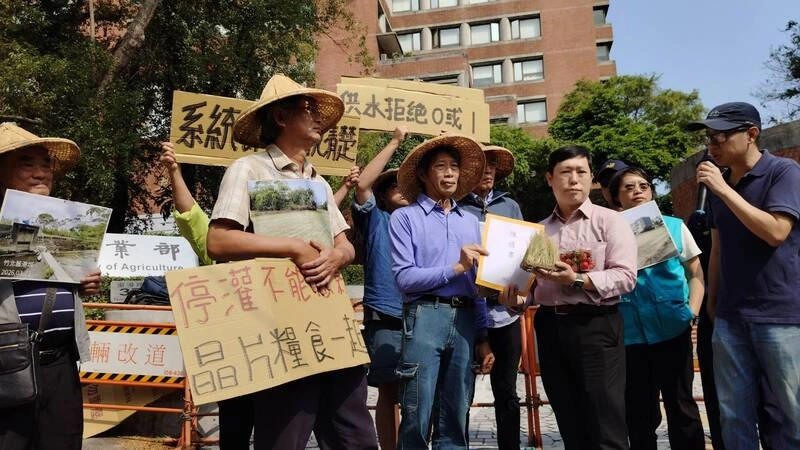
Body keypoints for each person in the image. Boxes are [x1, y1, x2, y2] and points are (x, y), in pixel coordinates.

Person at [205, 74, 377, 450]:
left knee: (356, 434)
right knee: (285, 435)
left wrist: (338, 255)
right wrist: (293, 247)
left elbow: (346, 246)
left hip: (330, 323)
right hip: (278, 329)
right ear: (281, 117)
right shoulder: (248, 169)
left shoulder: (319, 182)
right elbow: (217, 240)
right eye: (307, 108)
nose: (318, 117)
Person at [501, 145, 637, 450]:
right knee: (569, 421)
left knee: (606, 424)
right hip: (550, 328)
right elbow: (529, 290)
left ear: (591, 179)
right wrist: (514, 301)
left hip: (597, 327)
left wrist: (576, 279)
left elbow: (627, 277)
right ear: (550, 179)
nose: (574, 179)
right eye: (565, 172)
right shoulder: (537, 231)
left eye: (581, 172)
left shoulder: (611, 221)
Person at [690, 102, 800, 448]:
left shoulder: (783, 172)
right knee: (733, 415)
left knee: (793, 413)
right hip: (730, 317)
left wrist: (724, 191)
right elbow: (718, 248)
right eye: (709, 137)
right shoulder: (718, 186)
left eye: (720, 136)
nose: (712, 145)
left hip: (781, 316)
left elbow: (776, 231)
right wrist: (713, 303)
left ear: (751, 134)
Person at [389, 134, 495, 449]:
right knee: (416, 410)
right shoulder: (404, 218)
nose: (449, 173)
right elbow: (405, 278)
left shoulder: (472, 222)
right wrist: (456, 267)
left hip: (465, 320)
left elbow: (477, 284)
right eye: (440, 166)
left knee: (456, 410)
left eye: (454, 167)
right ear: (424, 174)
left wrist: (482, 335)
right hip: (423, 316)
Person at [0, 122, 101, 450]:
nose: (40, 172)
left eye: (46, 164)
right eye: (26, 163)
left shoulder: (64, 223)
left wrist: (82, 284)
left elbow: (53, 279)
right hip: (6, 363)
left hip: (60, 363)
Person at [608, 166, 705, 450]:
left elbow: (696, 274)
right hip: (630, 336)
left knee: (682, 405)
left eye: (643, 186)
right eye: (628, 187)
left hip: (672, 328)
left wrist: (691, 312)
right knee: (638, 412)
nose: (637, 191)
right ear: (616, 197)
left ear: (652, 191)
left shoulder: (675, 226)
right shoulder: (607, 233)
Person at [458, 145, 525, 450]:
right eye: (481, 164)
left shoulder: (510, 206)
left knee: (507, 390)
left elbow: (524, 252)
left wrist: (520, 292)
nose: (487, 170)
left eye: (492, 165)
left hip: (506, 313)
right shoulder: (457, 206)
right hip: (467, 312)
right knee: (461, 390)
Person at [350, 126, 408, 450]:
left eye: (406, 185)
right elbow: (362, 185)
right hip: (385, 313)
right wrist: (395, 141)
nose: (401, 190)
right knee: (388, 392)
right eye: (393, 185)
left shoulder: (421, 220)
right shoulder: (377, 221)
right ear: (383, 195)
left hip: (421, 313)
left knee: (419, 392)